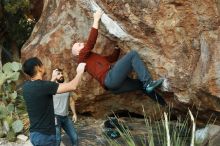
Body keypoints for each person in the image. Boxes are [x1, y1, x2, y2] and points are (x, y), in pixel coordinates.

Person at [71, 11, 166, 105]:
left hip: (113, 87)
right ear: (78, 53)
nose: (82, 43)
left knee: (140, 85)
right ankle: (148, 83)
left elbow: (111, 59)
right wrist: (96, 19)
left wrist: (117, 48)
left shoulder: (90, 59)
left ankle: (165, 105)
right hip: (110, 79)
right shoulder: (82, 58)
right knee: (133, 55)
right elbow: (90, 43)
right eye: (79, 45)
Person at [22, 57, 86, 146]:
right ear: (38, 68)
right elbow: (73, 86)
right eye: (42, 65)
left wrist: (53, 78)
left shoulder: (26, 87)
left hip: (34, 135)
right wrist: (80, 72)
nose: (44, 67)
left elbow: (43, 89)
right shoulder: (44, 86)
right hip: (46, 136)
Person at [51, 68, 78, 146]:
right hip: (55, 117)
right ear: (54, 76)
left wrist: (74, 114)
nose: (61, 75)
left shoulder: (67, 86)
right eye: (58, 74)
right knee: (57, 140)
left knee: (75, 137)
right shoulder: (51, 87)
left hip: (65, 117)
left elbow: (71, 101)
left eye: (61, 73)